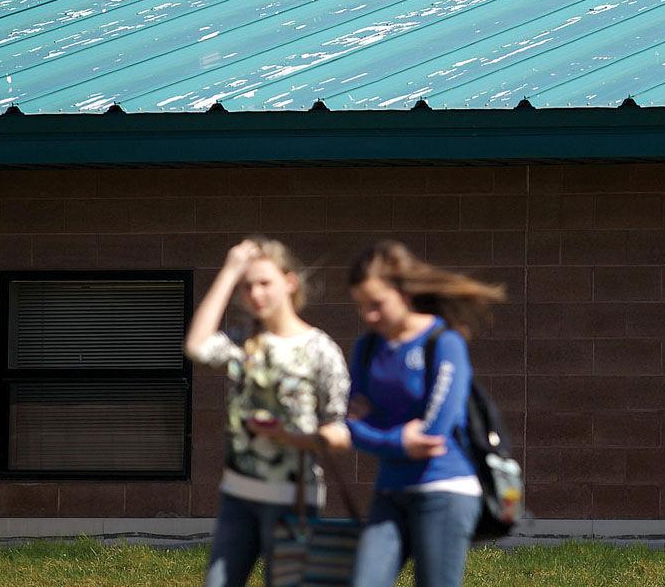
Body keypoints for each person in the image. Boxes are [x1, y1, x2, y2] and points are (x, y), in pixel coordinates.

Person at [320, 240, 504, 587]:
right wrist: (399, 439)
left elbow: (434, 433)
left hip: (444, 489)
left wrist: (374, 431)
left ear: (404, 292)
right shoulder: (367, 347)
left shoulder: (443, 342)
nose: (368, 317)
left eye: (376, 305)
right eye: (361, 308)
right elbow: (353, 425)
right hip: (390, 490)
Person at [185, 237, 350, 587]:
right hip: (238, 494)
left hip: (294, 500)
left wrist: (286, 437)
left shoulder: (319, 349)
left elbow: (340, 431)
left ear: (290, 282)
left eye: (265, 283)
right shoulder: (241, 341)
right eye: (247, 287)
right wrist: (229, 272)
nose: (255, 294)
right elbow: (197, 346)